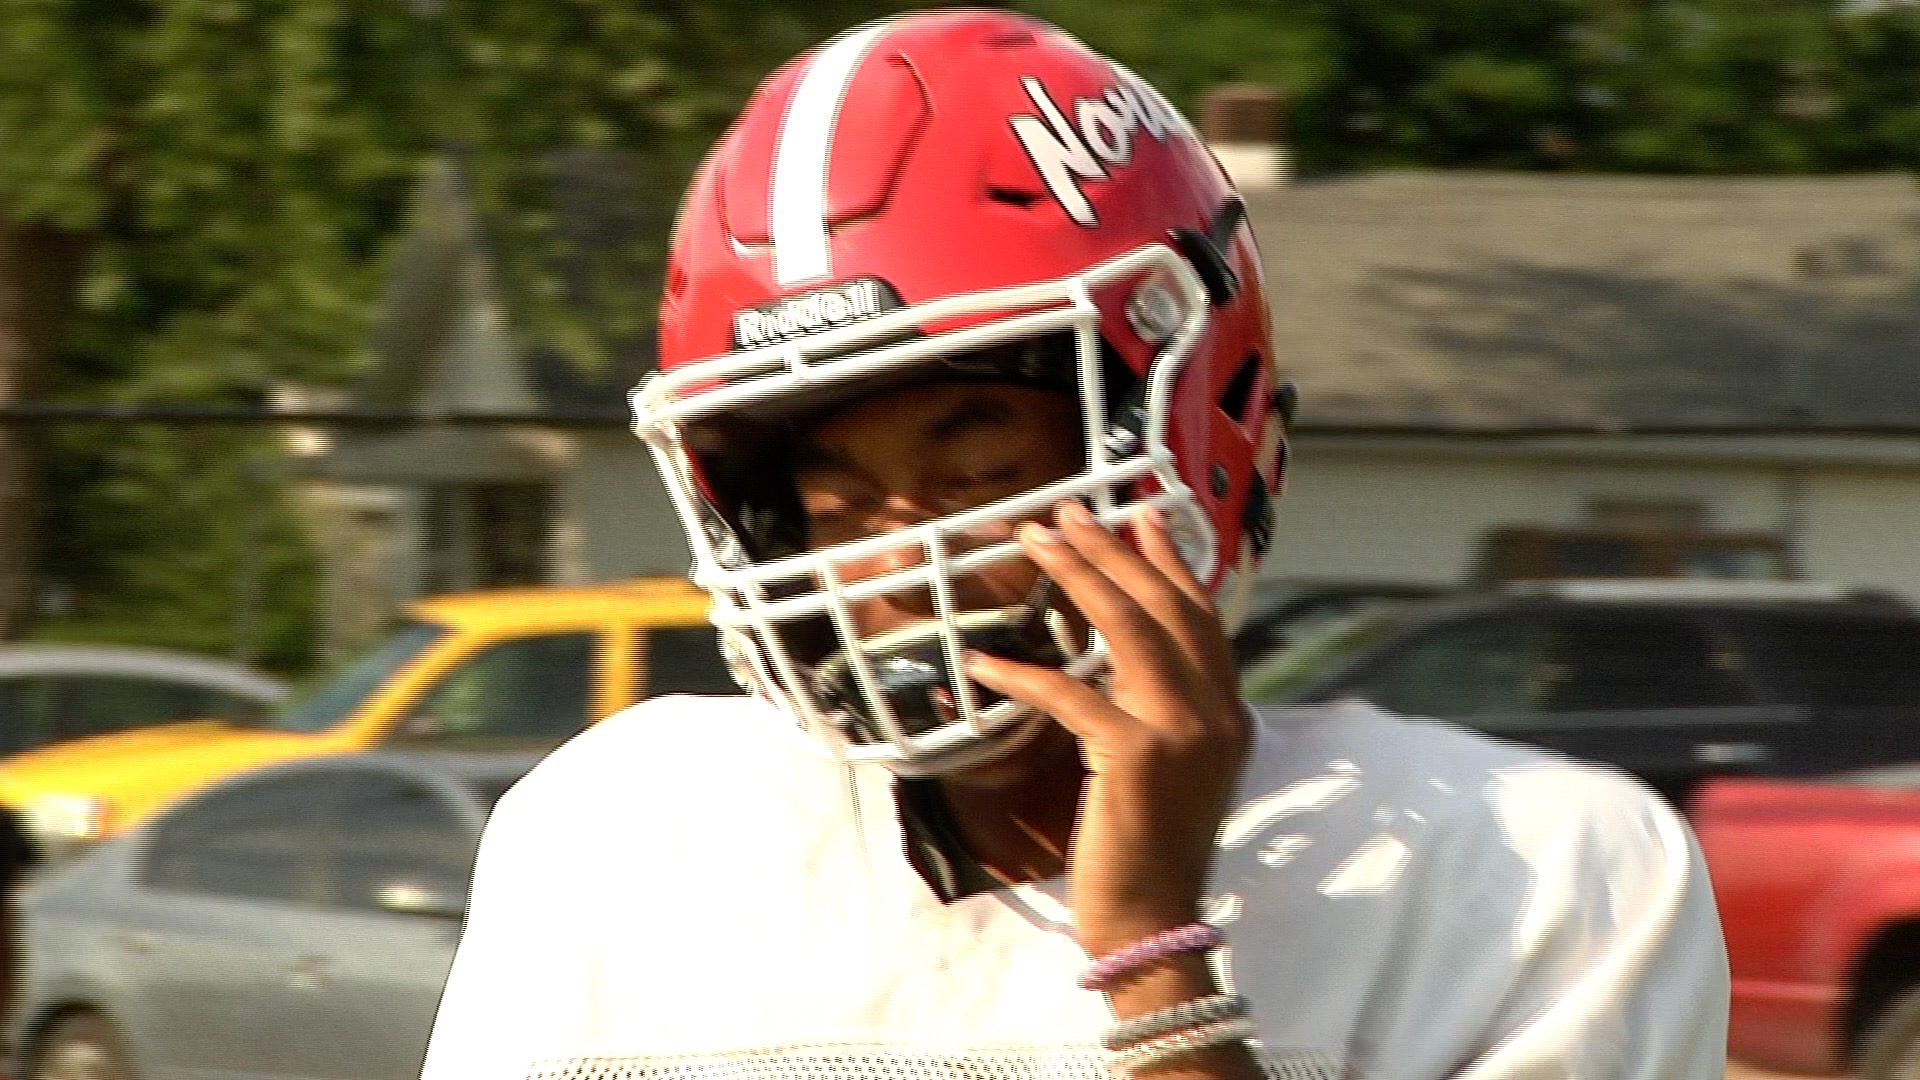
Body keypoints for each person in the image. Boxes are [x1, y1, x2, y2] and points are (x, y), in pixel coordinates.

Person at [419, 11, 1728, 1080]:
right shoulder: (622, 840)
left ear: (1206, 429)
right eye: (827, 495)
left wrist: (1157, 966)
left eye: (977, 466)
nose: (894, 556)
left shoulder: (1535, 881)